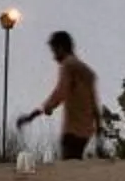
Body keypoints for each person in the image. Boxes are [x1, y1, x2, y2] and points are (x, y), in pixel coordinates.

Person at [18, 30, 100, 161]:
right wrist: (99, 125)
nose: (53, 56)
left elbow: (60, 92)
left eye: (54, 50)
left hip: (72, 129)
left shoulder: (68, 65)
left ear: (61, 47)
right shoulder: (87, 72)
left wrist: (34, 114)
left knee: (69, 166)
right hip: (87, 128)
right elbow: (94, 101)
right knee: (77, 162)